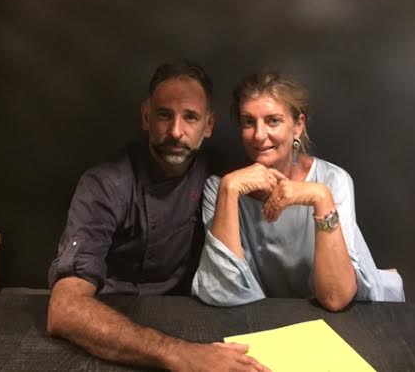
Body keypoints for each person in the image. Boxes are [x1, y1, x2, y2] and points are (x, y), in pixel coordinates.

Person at [47, 60, 270, 372]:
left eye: (190, 117)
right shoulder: (105, 185)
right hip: (108, 326)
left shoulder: (218, 174)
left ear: (208, 125)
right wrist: (179, 354)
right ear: (146, 116)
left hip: (190, 317)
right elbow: (64, 309)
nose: (176, 132)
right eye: (164, 115)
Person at [192, 69, 405, 311]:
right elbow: (223, 293)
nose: (259, 135)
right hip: (268, 318)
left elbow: (336, 298)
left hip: (359, 314)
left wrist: (321, 198)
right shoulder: (221, 188)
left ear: (298, 126)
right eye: (249, 122)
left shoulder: (332, 180)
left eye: (273, 120)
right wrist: (229, 190)